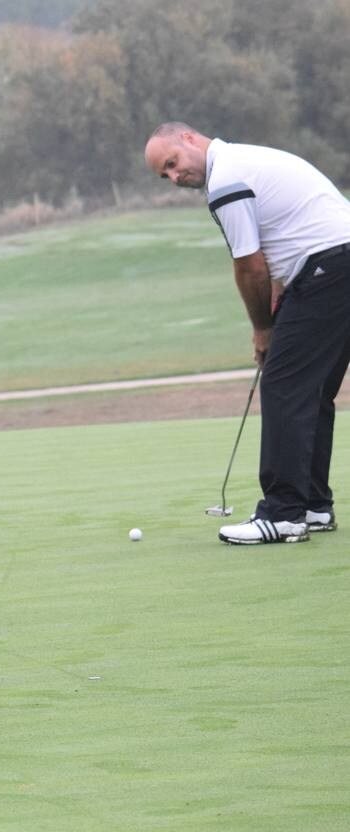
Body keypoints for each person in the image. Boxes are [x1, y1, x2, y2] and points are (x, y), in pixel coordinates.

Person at [144, 122, 350, 545]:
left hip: (328, 268)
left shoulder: (227, 180)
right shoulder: (247, 159)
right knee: (311, 391)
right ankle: (312, 505)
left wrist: (263, 329)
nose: (173, 177)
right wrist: (281, 299)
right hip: (337, 264)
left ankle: (283, 513)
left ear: (188, 139)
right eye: (164, 175)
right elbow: (281, 241)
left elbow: (249, 264)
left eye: (172, 164)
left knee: (283, 386)